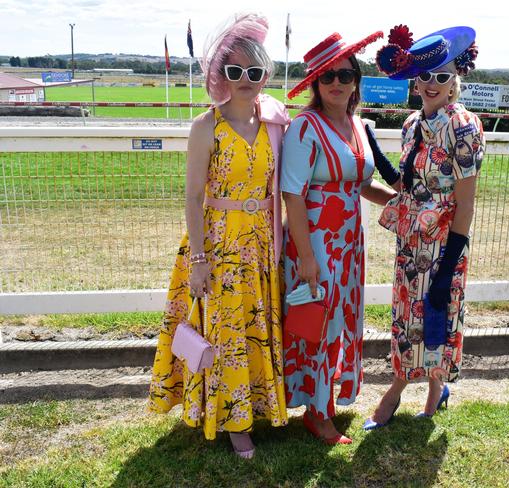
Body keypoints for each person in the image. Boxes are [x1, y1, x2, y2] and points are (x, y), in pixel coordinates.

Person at [148, 13, 289, 459]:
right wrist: (199, 261)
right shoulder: (205, 126)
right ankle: (231, 421)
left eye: (254, 71)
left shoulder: (275, 122)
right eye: (235, 71)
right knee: (225, 331)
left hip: (261, 243)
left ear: (265, 73)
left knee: (255, 328)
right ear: (220, 75)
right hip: (218, 243)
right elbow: (192, 198)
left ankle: (257, 405)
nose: (245, 79)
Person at [363, 24, 485, 429]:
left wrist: (449, 266)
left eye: (442, 76)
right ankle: (434, 391)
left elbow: (465, 205)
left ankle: (398, 393)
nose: (432, 84)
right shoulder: (413, 123)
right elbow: (406, 184)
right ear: (416, 80)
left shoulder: (464, 126)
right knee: (406, 318)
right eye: (425, 76)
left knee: (434, 317)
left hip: (445, 246)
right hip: (411, 242)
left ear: (455, 81)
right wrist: (372, 149)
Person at [281, 30, 395, 444]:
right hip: (315, 241)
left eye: (344, 75)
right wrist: (307, 257)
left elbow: (361, 184)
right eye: (327, 76)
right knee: (319, 321)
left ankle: (327, 399)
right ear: (314, 83)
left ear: (356, 82)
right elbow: (291, 193)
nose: (336, 83)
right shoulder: (304, 128)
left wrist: (402, 202)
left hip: (349, 243)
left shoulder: (357, 126)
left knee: (341, 320)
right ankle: (316, 411)